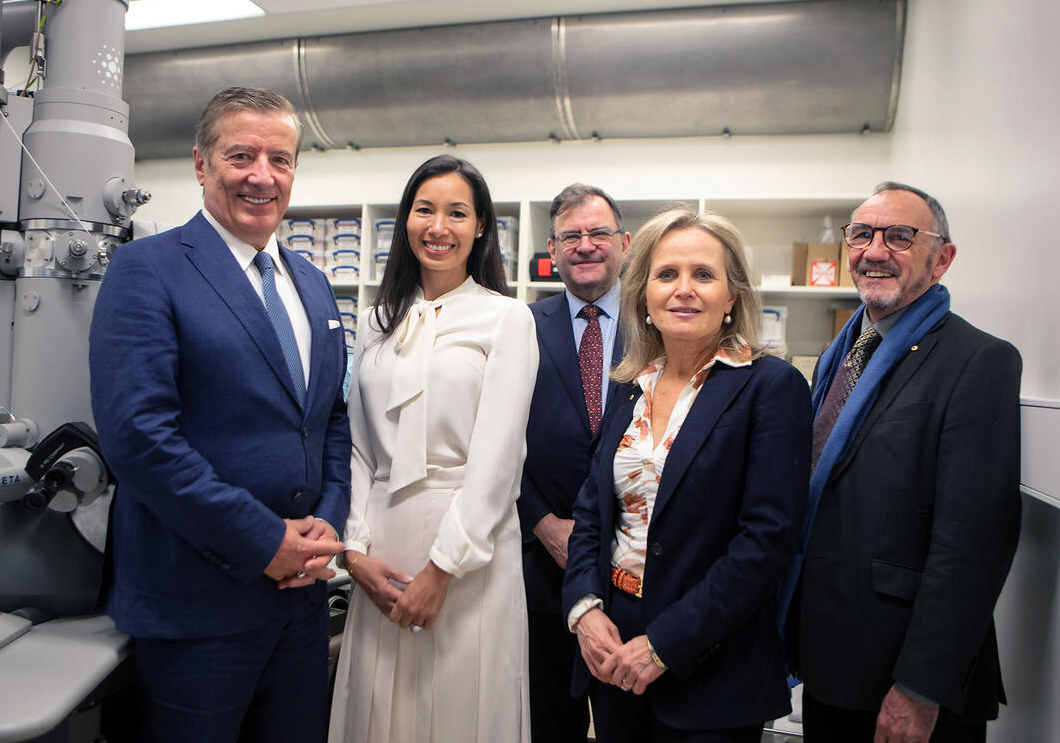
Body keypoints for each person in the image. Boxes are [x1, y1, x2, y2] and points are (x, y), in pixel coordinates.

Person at [89, 87, 350, 742]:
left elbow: (330, 418)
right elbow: (139, 439)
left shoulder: (313, 283)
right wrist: (265, 541)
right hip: (197, 606)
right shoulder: (146, 270)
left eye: (280, 159)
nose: (262, 175)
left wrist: (329, 524)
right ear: (202, 166)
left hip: (301, 603)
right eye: (241, 155)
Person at [780, 182, 1022, 743]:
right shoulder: (840, 356)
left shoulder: (978, 362)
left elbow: (972, 544)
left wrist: (920, 686)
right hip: (831, 659)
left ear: (942, 259)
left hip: (902, 678)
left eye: (900, 236)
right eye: (861, 234)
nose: (874, 250)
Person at [563, 207, 812, 743]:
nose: (684, 289)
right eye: (667, 274)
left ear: (732, 296)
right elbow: (591, 511)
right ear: (644, 296)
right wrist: (583, 609)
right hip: (612, 650)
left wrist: (665, 645)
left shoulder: (770, 387)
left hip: (710, 665)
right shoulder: (629, 386)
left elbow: (766, 541)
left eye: (704, 274)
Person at [329, 155, 538, 743]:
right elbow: (360, 448)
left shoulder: (507, 319)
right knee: (377, 705)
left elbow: (499, 461)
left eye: (456, 212)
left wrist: (442, 570)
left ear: (480, 227)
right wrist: (354, 550)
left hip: (468, 552)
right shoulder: (375, 320)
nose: (438, 226)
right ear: (405, 221)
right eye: (424, 210)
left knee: (458, 706)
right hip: (383, 545)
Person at [519, 183, 631, 743]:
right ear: (553, 249)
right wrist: (542, 523)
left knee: (626, 719)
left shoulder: (660, 324)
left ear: (625, 243)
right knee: (547, 721)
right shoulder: (519, 328)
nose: (585, 246)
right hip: (543, 565)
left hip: (635, 569)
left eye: (598, 233)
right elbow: (497, 445)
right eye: (571, 236)